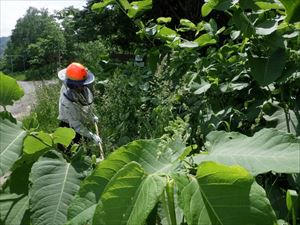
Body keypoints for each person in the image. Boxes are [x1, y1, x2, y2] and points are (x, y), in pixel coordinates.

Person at [57, 62, 102, 146]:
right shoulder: (67, 102)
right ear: (73, 85)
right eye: (79, 85)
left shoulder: (81, 87)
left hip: (80, 125)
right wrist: (92, 136)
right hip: (67, 127)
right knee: (69, 153)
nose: (82, 87)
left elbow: (86, 106)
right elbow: (76, 125)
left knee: (87, 151)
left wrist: (92, 116)